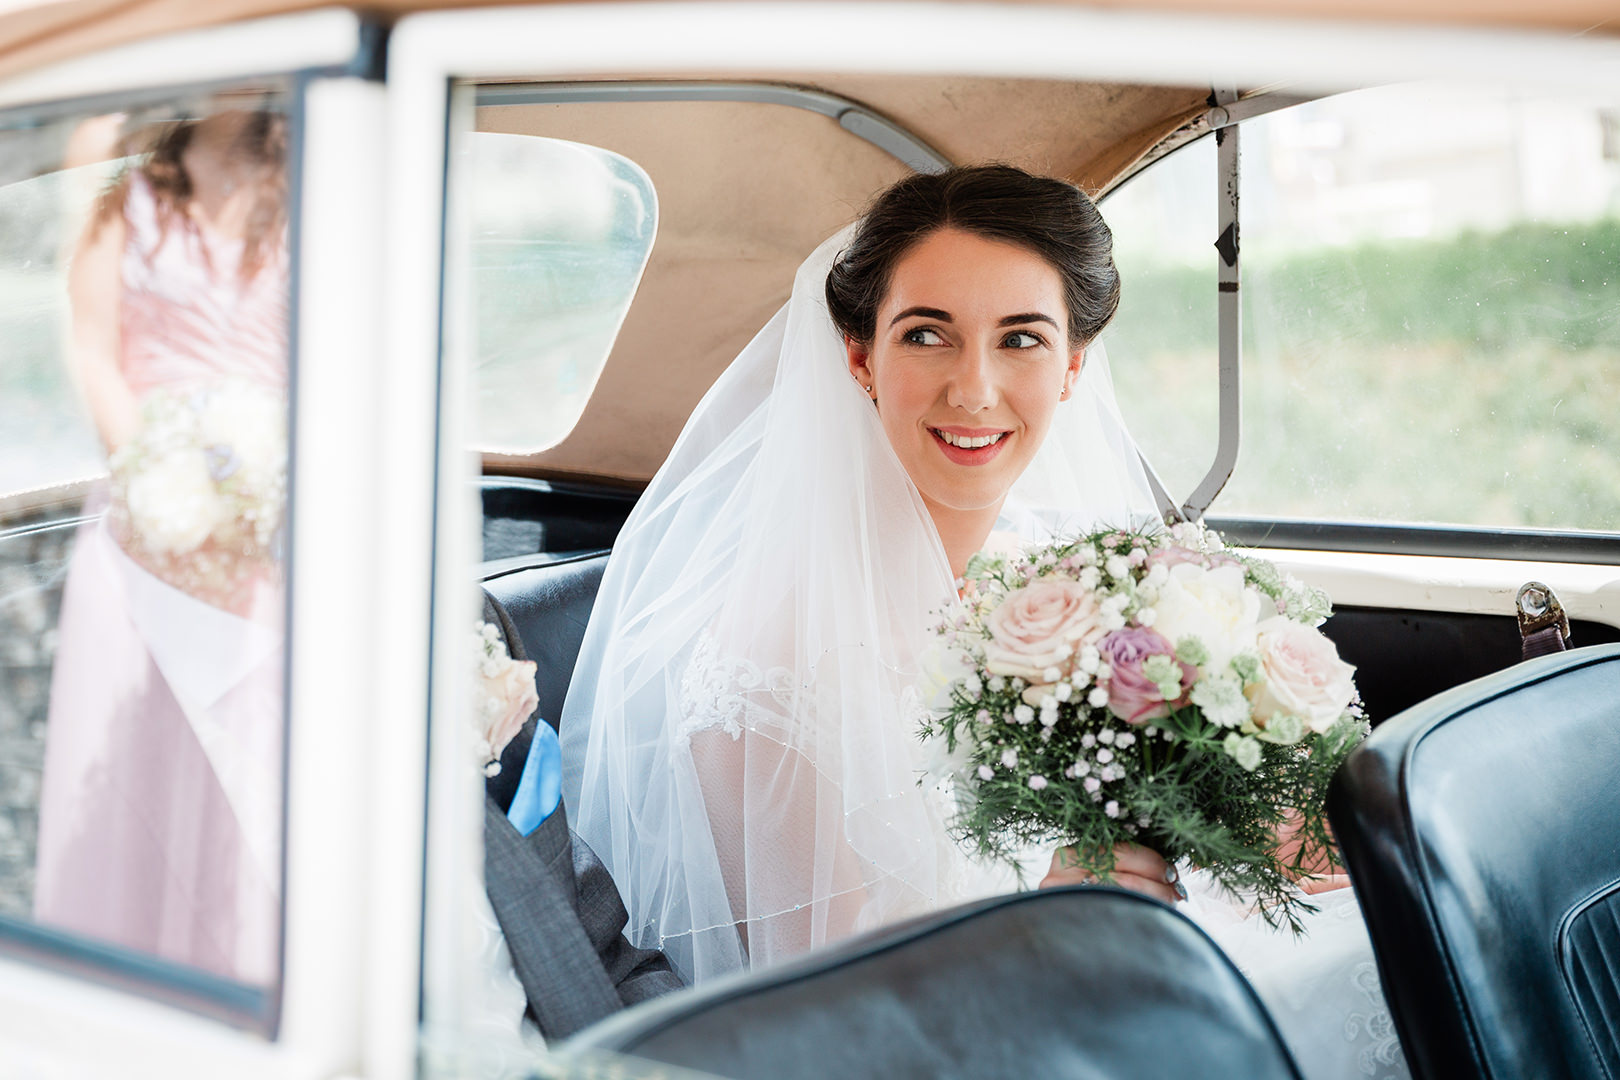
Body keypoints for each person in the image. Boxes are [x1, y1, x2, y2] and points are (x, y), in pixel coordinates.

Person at [560, 165, 1407, 1079]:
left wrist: (1255, 819)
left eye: (1021, 340)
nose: (974, 388)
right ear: (859, 359)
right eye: (927, 335)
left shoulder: (1074, 579)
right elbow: (848, 1038)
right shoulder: (774, 665)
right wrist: (1045, 929)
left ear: (1073, 365)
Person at [33, 108, 291, 985]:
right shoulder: (109, 143)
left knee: (251, 805)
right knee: (134, 800)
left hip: (270, 546)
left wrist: (267, 495)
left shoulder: (318, 142)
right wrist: (159, 488)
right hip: (142, 538)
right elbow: (92, 345)